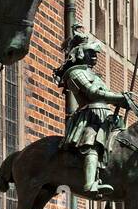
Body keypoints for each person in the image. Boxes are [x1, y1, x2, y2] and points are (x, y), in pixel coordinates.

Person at [56, 24, 133, 198]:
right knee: (92, 144)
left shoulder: (93, 74)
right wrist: (118, 98)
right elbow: (93, 93)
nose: (95, 57)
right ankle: (90, 183)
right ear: (81, 53)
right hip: (89, 117)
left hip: (105, 116)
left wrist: (122, 101)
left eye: (96, 54)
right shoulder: (74, 73)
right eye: (91, 53)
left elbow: (103, 95)